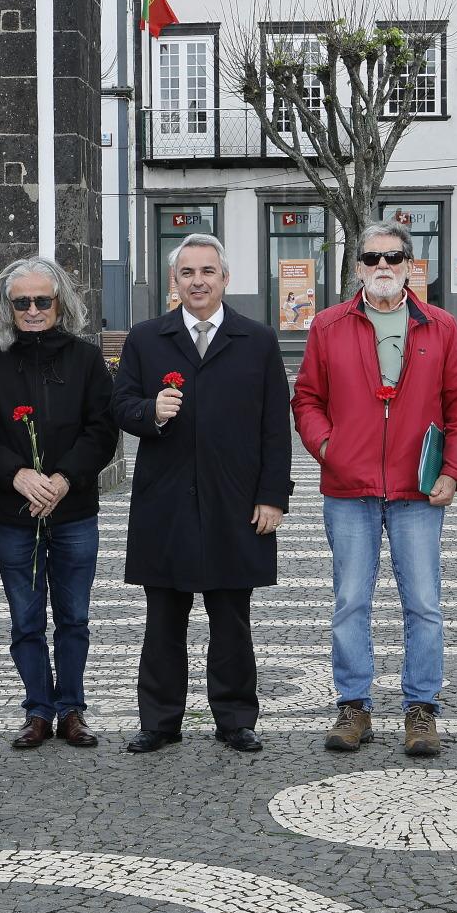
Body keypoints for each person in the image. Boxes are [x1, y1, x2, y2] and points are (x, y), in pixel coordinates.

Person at [292, 223, 457, 757]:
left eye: (393, 257)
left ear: (409, 264)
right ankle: (354, 705)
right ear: (357, 267)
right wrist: (328, 448)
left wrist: (454, 470)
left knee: (423, 602)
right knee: (351, 600)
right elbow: (306, 399)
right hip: (348, 486)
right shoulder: (328, 325)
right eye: (372, 257)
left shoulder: (440, 327)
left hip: (417, 489)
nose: (382, 265)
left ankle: (421, 709)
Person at [110, 233, 292, 754]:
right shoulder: (147, 338)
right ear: (175, 281)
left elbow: (274, 427)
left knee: (232, 618)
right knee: (163, 618)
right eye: (187, 273)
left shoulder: (255, 339)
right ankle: (160, 719)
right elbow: (120, 405)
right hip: (164, 502)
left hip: (235, 500)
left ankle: (236, 718)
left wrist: (272, 496)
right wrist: (150, 412)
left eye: (207, 272)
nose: (198, 281)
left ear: (225, 278)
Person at [0, 256, 118, 750]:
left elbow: (102, 431)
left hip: (73, 510)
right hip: (15, 512)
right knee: (25, 618)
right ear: (7, 307)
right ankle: (37, 709)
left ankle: (71, 708)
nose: (32, 310)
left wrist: (62, 479)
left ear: (60, 303)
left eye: (41, 300)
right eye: (21, 302)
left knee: (74, 616)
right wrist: (19, 475)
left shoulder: (86, 358)